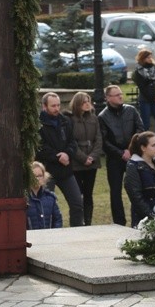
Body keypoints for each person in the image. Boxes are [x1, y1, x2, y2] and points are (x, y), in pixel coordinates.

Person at [36, 92, 84, 227]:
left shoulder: (65, 121)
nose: (57, 108)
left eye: (58, 105)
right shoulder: (38, 125)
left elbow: (72, 142)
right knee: (46, 206)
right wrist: (58, 157)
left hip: (66, 171)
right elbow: (40, 148)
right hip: (48, 172)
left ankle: (77, 230)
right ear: (44, 106)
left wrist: (67, 154)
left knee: (77, 203)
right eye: (53, 106)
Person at [99, 85, 145, 226]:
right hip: (115, 159)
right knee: (115, 191)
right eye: (116, 94)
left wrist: (131, 150)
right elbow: (104, 141)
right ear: (108, 98)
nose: (120, 96)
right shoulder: (103, 116)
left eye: (121, 93)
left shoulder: (131, 110)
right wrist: (120, 153)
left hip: (133, 155)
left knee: (138, 188)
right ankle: (119, 222)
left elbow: (140, 129)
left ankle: (140, 219)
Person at [64, 92, 102, 226]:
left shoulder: (94, 118)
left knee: (88, 194)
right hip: (77, 163)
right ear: (78, 104)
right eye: (84, 102)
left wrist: (92, 157)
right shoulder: (70, 119)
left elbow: (98, 140)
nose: (87, 104)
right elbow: (71, 142)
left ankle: (88, 221)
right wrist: (83, 158)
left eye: (88, 101)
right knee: (77, 195)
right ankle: (78, 221)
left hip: (92, 162)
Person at [133, 49, 155, 134]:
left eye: (151, 57)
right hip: (145, 100)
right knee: (145, 124)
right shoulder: (138, 71)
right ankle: (144, 141)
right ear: (142, 58)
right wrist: (153, 97)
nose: (150, 59)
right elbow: (142, 88)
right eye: (147, 57)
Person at [26, 162, 63, 230]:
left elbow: (58, 220)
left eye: (40, 176)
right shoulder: (24, 199)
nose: (37, 179)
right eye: (35, 176)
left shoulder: (51, 198)